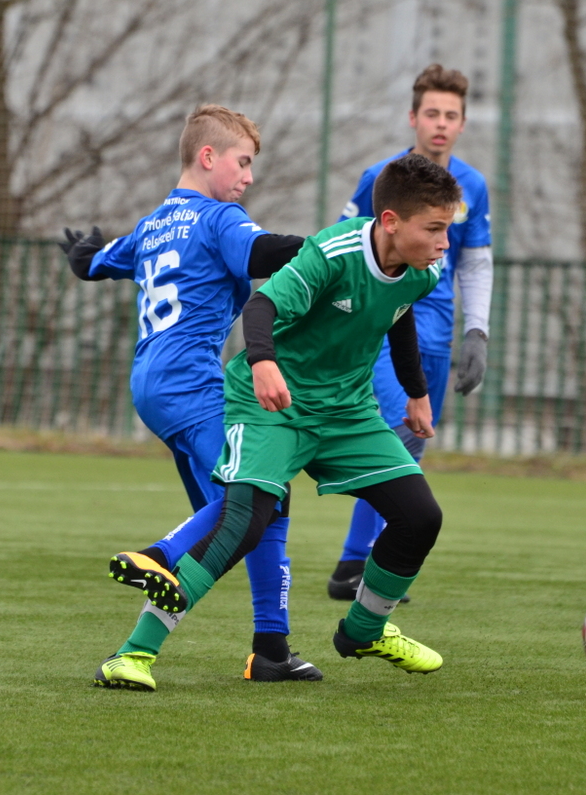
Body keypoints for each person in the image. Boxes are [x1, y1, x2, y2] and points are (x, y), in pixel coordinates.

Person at [94, 152, 459, 691]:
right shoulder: (331, 254)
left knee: (420, 517)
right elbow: (260, 307)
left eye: (448, 228)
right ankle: (131, 654)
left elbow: (398, 315)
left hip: (347, 411)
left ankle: (364, 630)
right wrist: (264, 363)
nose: (444, 242)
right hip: (272, 405)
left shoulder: (424, 269)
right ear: (390, 221)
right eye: (433, 228)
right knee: (242, 523)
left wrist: (417, 393)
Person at [60, 105, 319, 683]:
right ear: (207, 157)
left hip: (151, 383)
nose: (249, 177)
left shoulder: (154, 223)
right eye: (242, 162)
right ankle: (158, 558)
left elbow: (100, 262)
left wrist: (84, 258)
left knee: (261, 504)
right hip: (193, 381)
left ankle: (272, 649)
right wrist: (330, 248)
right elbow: (261, 252)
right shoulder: (219, 217)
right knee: (252, 497)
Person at [327, 64, 493, 600]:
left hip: (436, 334)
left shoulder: (472, 186)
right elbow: (339, 246)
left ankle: (352, 563)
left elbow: (476, 263)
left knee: (412, 444)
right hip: (381, 327)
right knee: (393, 437)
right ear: (413, 118)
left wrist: (477, 332)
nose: (440, 123)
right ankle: (373, 566)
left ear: (462, 123)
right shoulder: (381, 178)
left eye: (451, 115)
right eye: (432, 113)